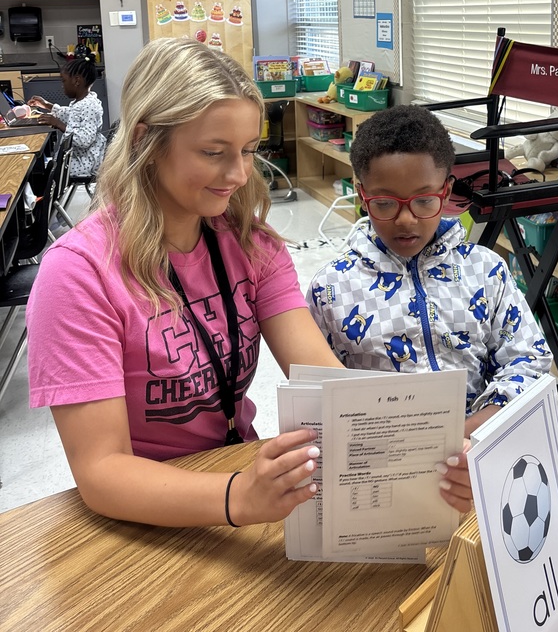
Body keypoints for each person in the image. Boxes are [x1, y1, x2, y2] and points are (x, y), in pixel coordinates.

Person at [27, 39, 470, 528]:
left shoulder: (250, 244)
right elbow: (102, 472)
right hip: (139, 510)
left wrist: (435, 451)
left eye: (248, 151)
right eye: (214, 153)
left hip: (228, 473)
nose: (239, 175)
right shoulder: (77, 274)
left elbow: (327, 379)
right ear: (144, 142)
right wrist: (238, 496)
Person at [307, 104, 553, 439]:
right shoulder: (330, 287)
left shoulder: (485, 270)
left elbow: (528, 359)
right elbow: (317, 394)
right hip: (381, 458)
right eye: (384, 203)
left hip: (476, 446)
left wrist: (470, 433)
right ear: (362, 194)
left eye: (424, 201)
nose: (406, 220)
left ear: (447, 192)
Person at [27, 53, 107, 178]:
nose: (62, 85)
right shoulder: (83, 102)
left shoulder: (89, 106)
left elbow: (84, 140)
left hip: (84, 164)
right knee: (48, 167)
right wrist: (47, 105)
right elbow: (70, 114)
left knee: (47, 171)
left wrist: (58, 124)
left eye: (64, 80)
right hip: (80, 158)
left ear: (76, 81)